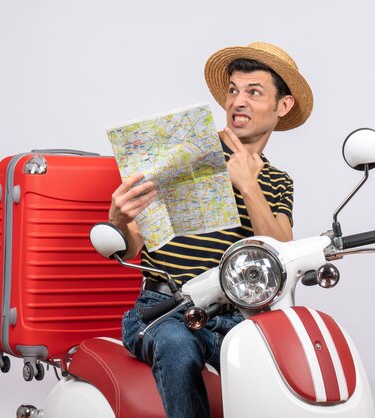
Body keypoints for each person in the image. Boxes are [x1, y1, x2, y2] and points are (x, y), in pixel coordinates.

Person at [108, 42, 313, 418]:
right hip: (162, 311)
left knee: (275, 364)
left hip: (234, 315)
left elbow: (283, 252)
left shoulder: (279, 182)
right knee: (177, 347)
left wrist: (249, 186)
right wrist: (119, 218)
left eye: (254, 92)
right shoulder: (182, 157)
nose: (238, 102)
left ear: (282, 106)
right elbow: (134, 241)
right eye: (233, 91)